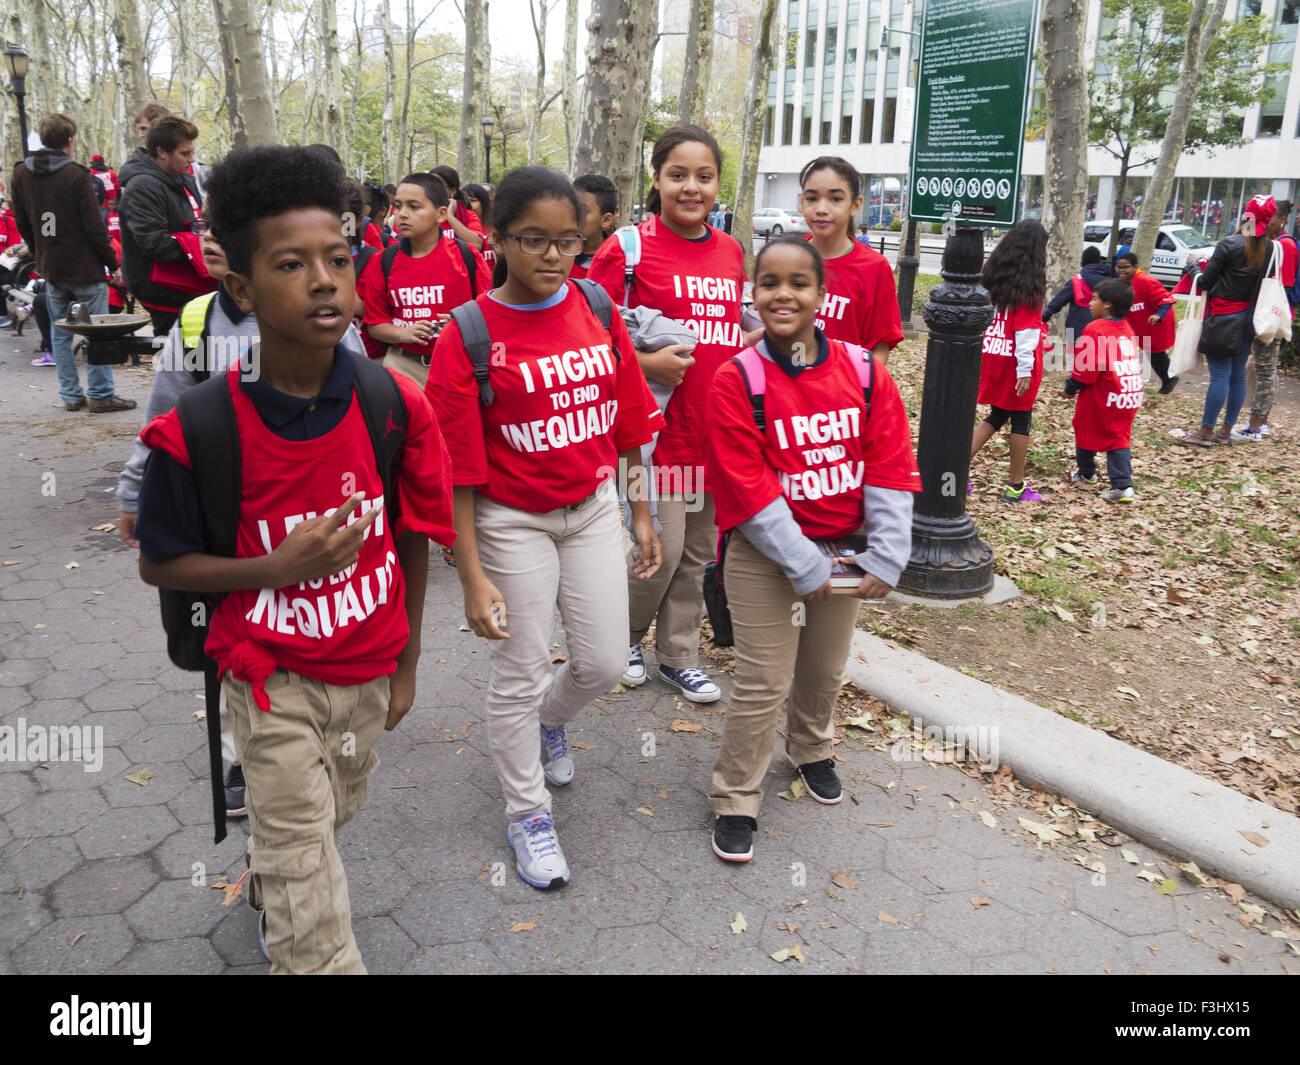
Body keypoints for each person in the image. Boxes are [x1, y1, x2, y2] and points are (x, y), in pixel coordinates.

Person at [135, 144, 456, 974]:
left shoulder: (395, 403)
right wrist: (272, 570)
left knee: (328, 819)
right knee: (304, 859)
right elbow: (163, 563)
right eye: (290, 263)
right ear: (241, 288)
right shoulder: (197, 429)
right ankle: (303, 929)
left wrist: (408, 666)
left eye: (338, 259)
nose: (323, 280)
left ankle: (277, 882)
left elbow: (412, 538)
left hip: (368, 669)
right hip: (268, 675)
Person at [427, 166, 662, 889]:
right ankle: (528, 812)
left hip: (592, 507)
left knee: (597, 663)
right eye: (534, 240)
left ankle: (550, 722)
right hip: (510, 520)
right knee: (519, 669)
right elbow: (458, 472)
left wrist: (641, 510)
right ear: (497, 239)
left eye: (569, 240)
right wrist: (471, 574)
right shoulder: (466, 334)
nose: (555, 256)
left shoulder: (596, 306)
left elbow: (627, 422)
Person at [705, 237, 919, 861]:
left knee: (823, 670)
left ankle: (811, 748)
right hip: (765, 554)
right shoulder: (735, 378)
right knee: (763, 681)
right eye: (769, 282)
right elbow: (747, 486)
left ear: (821, 296)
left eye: (799, 283)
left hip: (845, 549)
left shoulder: (863, 372)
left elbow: (888, 462)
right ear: (753, 293)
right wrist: (802, 564)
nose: (783, 294)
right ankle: (736, 796)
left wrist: (886, 554)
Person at [586, 124, 750, 704]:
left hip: (717, 433)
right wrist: (647, 362)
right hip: (652, 438)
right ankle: (623, 638)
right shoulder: (626, 249)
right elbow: (583, 336)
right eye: (677, 175)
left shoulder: (730, 251)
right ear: (656, 179)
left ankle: (678, 655)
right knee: (660, 548)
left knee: (698, 556)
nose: (691, 188)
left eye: (704, 177)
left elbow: (730, 332)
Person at [10, 112, 134, 413]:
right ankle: (102, 394)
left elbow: (23, 220)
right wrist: (112, 263)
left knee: (60, 331)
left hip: (52, 265)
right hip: (84, 267)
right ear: (69, 140)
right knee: (97, 330)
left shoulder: (21, 173)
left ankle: (70, 395)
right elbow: (94, 226)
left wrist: (40, 250)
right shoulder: (76, 175)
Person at [360, 171, 492, 389]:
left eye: (414, 206)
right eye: (399, 206)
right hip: (402, 365)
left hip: (457, 365)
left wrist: (460, 325)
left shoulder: (466, 257)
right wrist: (405, 333)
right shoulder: (382, 261)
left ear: (441, 214)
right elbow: (376, 325)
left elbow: (489, 314)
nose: (402, 214)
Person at [1178, 194, 1276, 448]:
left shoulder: (1228, 244)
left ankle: (1205, 432)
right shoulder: (1273, 249)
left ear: (1246, 216)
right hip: (1249, 321)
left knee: (1219, 375)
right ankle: (1225, 431)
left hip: (1221, 318)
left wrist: (1192, 268)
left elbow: (1205, 282)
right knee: (1236, 376)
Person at [798, 156, 903, 369]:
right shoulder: (787, 256)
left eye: (835, 199)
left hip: (844, 393)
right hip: (788, 391)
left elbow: (880, 346)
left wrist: (861, 390)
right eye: (811, 199)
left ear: (855, 205)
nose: (821, 209)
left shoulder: (874, 267)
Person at [969, 219, 1048, 501]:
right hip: (1016, 362)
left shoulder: (992, 276)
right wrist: (1025, 369)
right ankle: (1016, 487)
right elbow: (1026, 332)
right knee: (1022, 420)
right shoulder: (1031, 286)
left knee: (998, 414)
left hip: (992, 354)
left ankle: (956, 472)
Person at [118, 114, 212, 336]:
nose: (191, 159)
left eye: (192, 152)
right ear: (161, 152)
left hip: (188, 284)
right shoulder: (141, 187)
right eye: (185, 153)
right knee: (181, 356)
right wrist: (199, 245)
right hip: (163, 288)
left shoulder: (183, 178)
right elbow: (154, 242)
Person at [1065, 278, 1143, 503]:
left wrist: (1071, 387)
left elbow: (1086, 368)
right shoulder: (1127, 327)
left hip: (1102, 393)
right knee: (1118, 436)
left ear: (1107, 304)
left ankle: (1087, 473)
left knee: (1084, 427)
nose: (1090, 303)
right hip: (1127, 393)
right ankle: (1123, 485)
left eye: (1094, 299)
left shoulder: (1095, 329)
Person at [1234, 199, 1293, 441]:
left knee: (1266, 369)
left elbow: (1285, 284)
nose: (1265, 224)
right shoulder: (1266, 242)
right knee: (1259, 367)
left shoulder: (1284, 245)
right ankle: (1260, 421)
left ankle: (1257, 426)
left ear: (1281, 220)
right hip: (1256, 313)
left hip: (1269, 314)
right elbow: (1239, 240)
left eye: (1269, 219)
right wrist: (1249, 220)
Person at [1115, 251, 1177, 393]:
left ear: (1135, 267)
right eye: (1119, 267)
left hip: (1154, 321)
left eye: (1126, 267)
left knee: (1154, 351)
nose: (1122, 270)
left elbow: (1165, 300)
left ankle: (1169, 379)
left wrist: (1158, 315)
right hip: (1138, 321)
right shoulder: (1120, 283)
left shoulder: (1146, 281)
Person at [1043, 246, 1112, 352]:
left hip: (1074, 331)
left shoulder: (1076, 281)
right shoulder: (1111, 283)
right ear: (1099, 262)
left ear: (1082, 262)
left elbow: (1057, 303)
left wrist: (1042, 318)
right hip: (1103, 330)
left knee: (1074, 363)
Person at [430, 164, 487, 250]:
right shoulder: (422, 215)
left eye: (438, 185)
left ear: (452, 190)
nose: (432, 190)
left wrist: (450, 217)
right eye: (430, 185)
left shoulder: (468, 215)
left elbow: (477, 245)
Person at [570, 174, 616, 281]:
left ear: (606, 220)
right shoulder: (556, 257)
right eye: (570, 208)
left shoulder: (620, 260)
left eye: (582, 210)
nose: (572, 215)